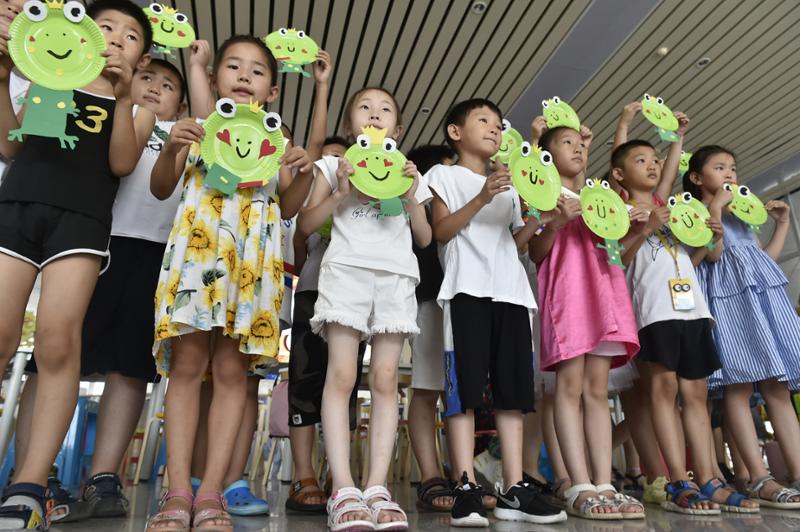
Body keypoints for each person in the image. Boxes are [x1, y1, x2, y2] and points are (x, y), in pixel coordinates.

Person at [145, 34, 313, 531]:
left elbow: (291, 204)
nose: (244, 76)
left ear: (272, 91)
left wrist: (303, 172)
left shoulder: (275, 141)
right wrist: (172, 147)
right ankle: (178, 491)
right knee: (187, 367)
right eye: (234, 67)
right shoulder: (200, 129)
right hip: (198, 255)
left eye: (257, 71)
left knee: (232, 374)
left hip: (253, 264)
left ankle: (212, 492)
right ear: (216, 79)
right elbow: (161, 187)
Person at [0, 0, 155, 527]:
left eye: (130, 36)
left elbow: (122, 163)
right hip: (17, 207)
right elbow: (10, 146)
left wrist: (123, 95)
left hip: (84, 222)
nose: (115, 38)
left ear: (142, 56)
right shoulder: (45, 72)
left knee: (58, 341)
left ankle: (28, 488)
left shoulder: (137, 105)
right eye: (105, 26)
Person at [15, 58, 187, 523]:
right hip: (91, 241)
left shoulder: (182, 137)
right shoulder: (101, 111)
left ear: (181, 104)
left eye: (168, 85)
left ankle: (104, 477)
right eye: (147, 77)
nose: (155, 88)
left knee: (131, 366)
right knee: (56, 351)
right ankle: (33, 474)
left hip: (156, 254)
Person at [298, 86, 430, 531]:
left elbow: (425, 237)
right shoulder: (331, 165)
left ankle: (376, 487)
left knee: (386, 379)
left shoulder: (407, 172)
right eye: (365, 108)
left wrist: (411, 195)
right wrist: (340, 191)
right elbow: (306, 224)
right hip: (346, 271)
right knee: (341, 375)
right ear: (349, 123)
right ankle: (343, 488)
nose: (375, 115)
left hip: (395, 275)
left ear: (398, 129)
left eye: (385, 109)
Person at [428, 98, 566, 527]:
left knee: (512, 393)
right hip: (465, 290)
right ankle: (465, 484)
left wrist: (548, 221)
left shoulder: (509, 187)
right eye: (483, 121)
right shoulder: (443, 175)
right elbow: (441, 231)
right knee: (464, 390)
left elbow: (517, 244)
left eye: (499, 124)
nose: (494, 129)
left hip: (512, 292)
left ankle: (513, 488)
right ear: (455, 132)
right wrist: (482, 196)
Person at [612, 122, 759, 513]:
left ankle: (708, 479)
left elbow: (690, 262)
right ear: (619, 174)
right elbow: (616, 261)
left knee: (696, 396)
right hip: (653, 312)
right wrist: (644, 230)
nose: (653, 166)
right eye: (641, 160)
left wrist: (711, 238)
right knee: (663, 392)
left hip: (693, 308)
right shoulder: (619, 211)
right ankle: (678, 480)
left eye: (655, 160)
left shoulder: (674, 211)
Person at [530, 124, 642, 520]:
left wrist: (637, 228)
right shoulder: (541, 196)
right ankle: (578, 484)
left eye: (581, 145)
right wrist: (556, 222)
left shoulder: (599, 201)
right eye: (567, 143)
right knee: (569, 388)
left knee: (597, 391)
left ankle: (604, 482)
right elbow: (537, 252)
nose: (577, 149)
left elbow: (615, 254)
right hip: (568, 298)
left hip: (605, 297)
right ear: (546, 154)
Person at [685, 145, 800, 509]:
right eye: (720, 168)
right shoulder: (695, 212)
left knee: (777, 386)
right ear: (696, 178)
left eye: (733, 168)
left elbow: (764, 259)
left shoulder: (742, 213)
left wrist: (782, 224)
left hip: (761, 296)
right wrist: (715, 209)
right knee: (739, 385)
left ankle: (797, 472)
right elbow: (714, 253)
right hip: (728, 299)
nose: (730, 174)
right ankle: (758, 477)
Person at [286, 135, 366, 515]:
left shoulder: (372, 186)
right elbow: (301, 239)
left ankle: (339, 472)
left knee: (347, 383)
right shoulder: (322, 192)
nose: (337, 164)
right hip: (314, 289)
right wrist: (336, 193)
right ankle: (304, 474)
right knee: (304, 382)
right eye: (331, 159)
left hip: (354, 298)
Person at [406, 144, 456, 513]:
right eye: (447, 169)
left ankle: (460, 472)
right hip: (427, 300)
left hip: (460, 301)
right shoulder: (415, 206)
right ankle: (430, 475)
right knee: (426, 388)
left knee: (457, 392)